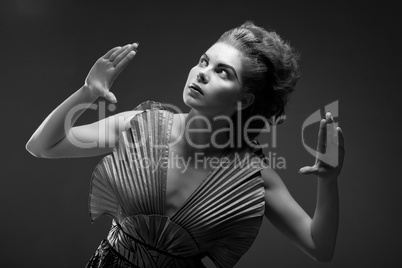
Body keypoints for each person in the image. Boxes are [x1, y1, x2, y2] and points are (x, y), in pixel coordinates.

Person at [26, 21, 345, 268]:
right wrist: (87, 92)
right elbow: (42, 146)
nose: (202, 74)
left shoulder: (253, 177)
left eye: (222, 72)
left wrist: (328, 181)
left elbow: (320, 247)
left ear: (243, 99)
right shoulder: (140, 126)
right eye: (204, 61)